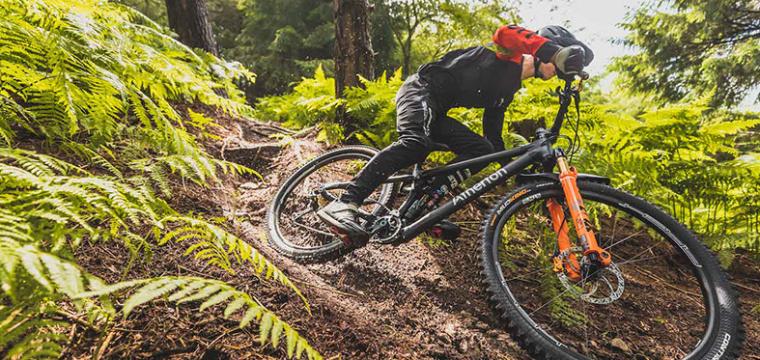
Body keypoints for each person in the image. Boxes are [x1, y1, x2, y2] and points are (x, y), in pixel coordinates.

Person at [318, 25, 594, 247]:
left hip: (437, 112)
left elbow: (495, 141)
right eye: (558, 67)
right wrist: (556, 50)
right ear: (545, 51)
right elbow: (504, 33)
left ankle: (422, 208)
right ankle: (346, 201)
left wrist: (515, 172)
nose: (558, 74)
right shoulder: (506, 54)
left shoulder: (505, 93)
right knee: (415, 144)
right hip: (420, 91)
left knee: (483, 149)